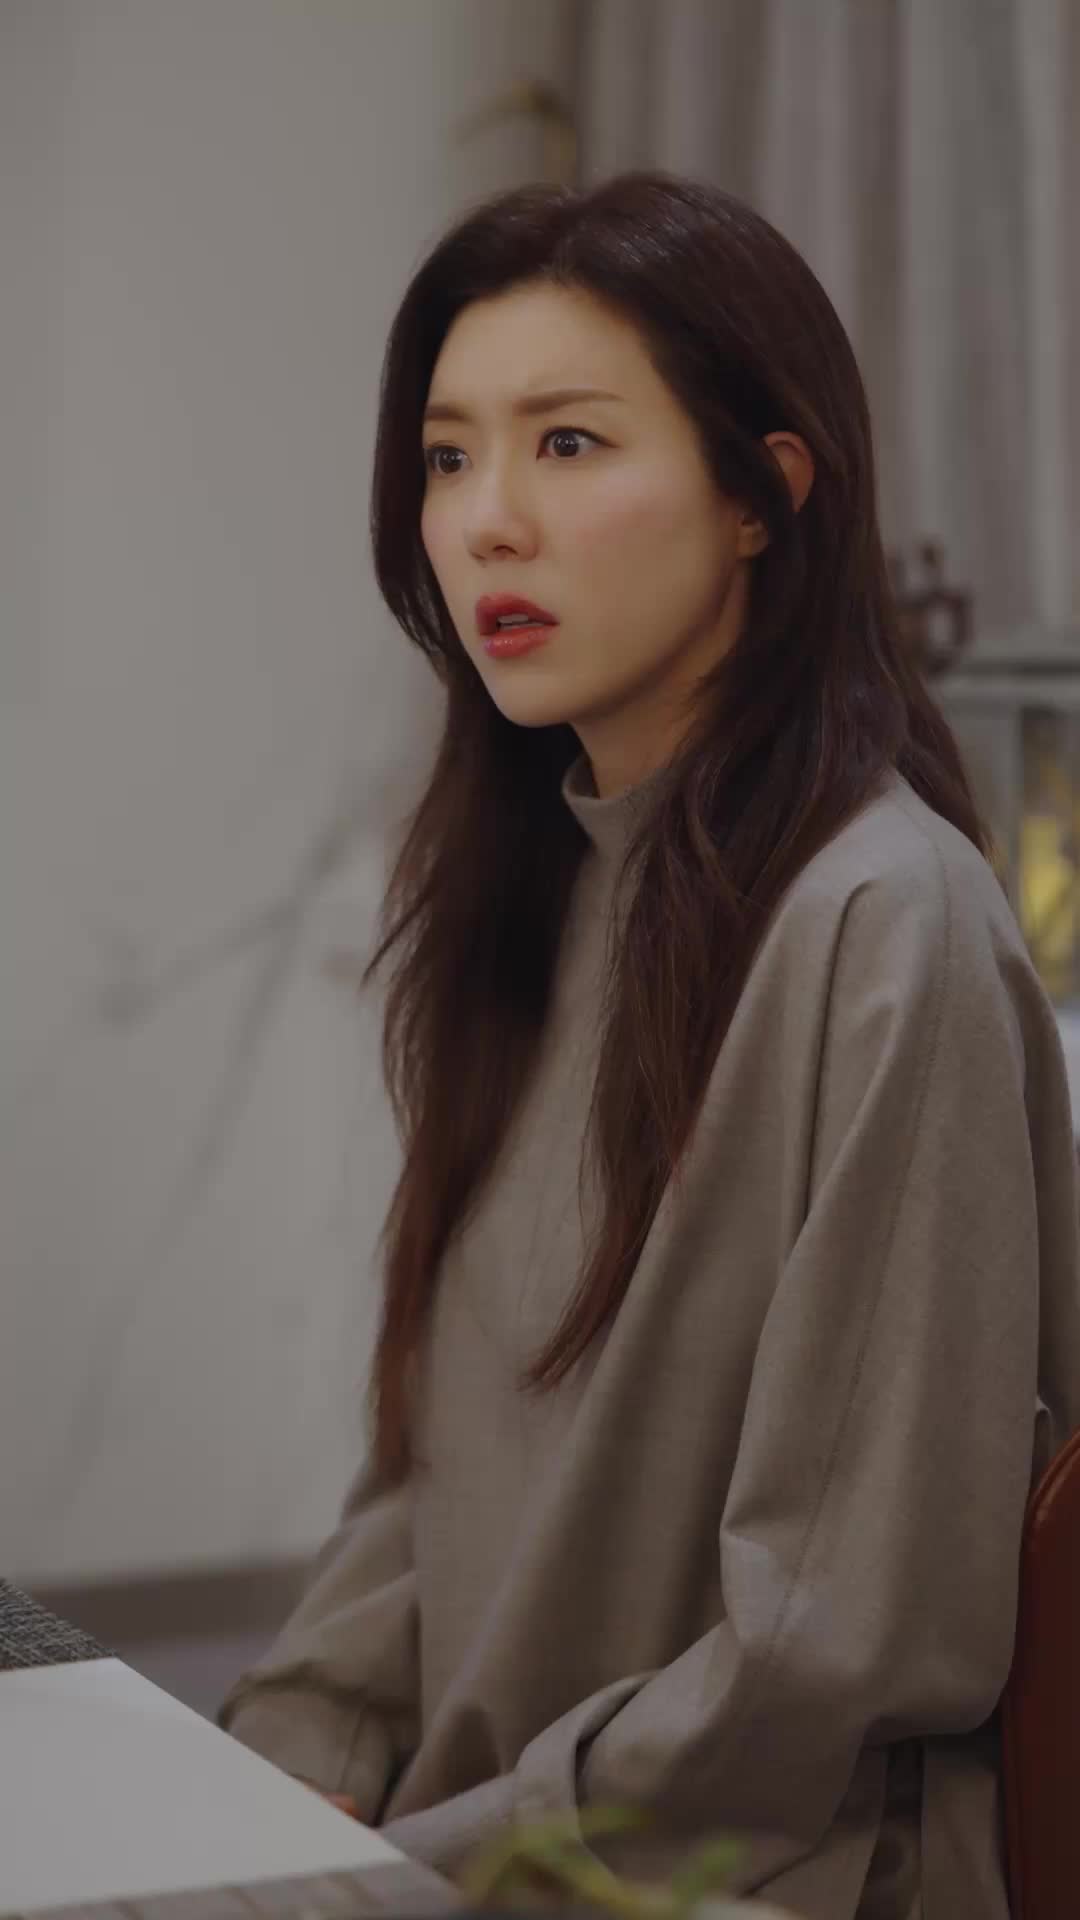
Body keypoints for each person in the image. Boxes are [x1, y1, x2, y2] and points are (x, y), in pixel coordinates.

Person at [217, 171, 1080, 1918]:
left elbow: (827, 1654)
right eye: (448, 457)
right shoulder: (523, 892)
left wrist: (404, 1866)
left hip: (749, 1873)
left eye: (569, 444)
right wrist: (296, 1752)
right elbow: (435, 1477)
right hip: (494, 1838)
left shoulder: (885, 929)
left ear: (766, 493)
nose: (486, 523)